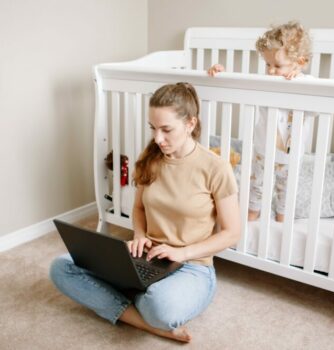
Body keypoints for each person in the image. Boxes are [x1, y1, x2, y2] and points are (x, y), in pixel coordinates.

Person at [49, 82, 241, 343]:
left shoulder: (216, 168)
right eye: (153, 128)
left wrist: (181, 252)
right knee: (62, 267)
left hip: (192, 266)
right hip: (147, 257)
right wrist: (139, 235)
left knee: (161, 307)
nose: (158, 138)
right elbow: (138, 208)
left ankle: (133, 300)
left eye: (166, 129)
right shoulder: (150, 158)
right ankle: (148, 324)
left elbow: (232, 234)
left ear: (190, 124)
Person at [208, 21, 313, 222]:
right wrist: (221, 74)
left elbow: (320, 100)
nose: (271, 71)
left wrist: (300, 78)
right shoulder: (265, 84)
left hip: (291, 154)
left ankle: (282, 218)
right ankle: (251, 215)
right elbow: (239, 87)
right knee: (257, 185)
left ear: (300, 62)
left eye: (278, 66)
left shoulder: (308, 85)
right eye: (267, 64)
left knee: (286, 189)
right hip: (263, 149)